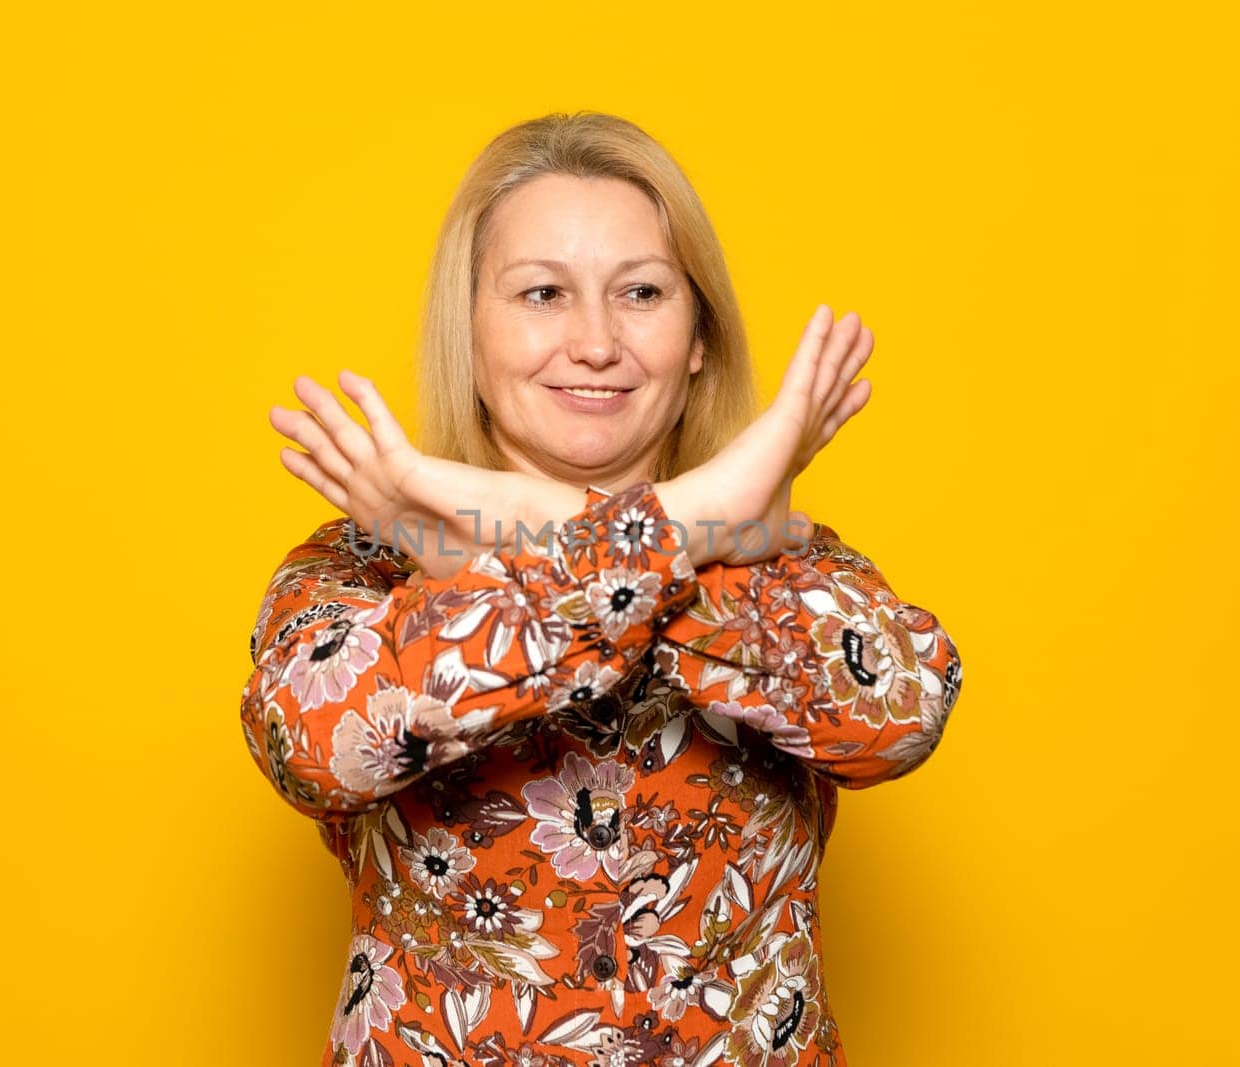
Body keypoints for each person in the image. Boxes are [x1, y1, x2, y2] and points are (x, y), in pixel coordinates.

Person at [239, 111, 963, 1067]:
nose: (594, 342)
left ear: (698, 336)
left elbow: (899, 711)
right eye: (542, 293)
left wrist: (501, 527)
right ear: (471, 328)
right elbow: (315, 743)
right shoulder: (363, 565)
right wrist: (699, 521)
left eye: (642, 292)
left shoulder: (792, 565)